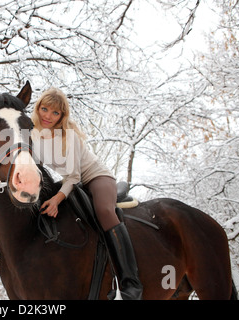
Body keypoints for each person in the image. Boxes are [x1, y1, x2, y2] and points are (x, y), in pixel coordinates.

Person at [31, 87, 143, 300]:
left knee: (104, 211)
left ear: (62, 116)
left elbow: (73, 177)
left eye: (55, 113)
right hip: (73, 181)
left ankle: (131, 284)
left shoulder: (68, 136)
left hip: (95, 177)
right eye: (45, 109)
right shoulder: (33, 133)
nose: (48, 116)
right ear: (37, 108)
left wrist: (56, 199)